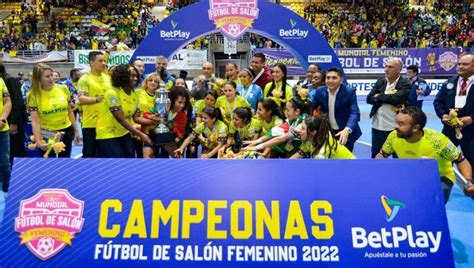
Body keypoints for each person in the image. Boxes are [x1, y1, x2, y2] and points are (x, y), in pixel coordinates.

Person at [376, 106, 473, 203]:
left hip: (440, 178)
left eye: (401, 124)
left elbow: (461, 160)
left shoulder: (438, 141)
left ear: (415, 128)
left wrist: (468, 181)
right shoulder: (393, 136)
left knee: (432, 202)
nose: (395, 126)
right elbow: (381, 155)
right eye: (396, 122)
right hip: (411, 175)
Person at [95, 65, 152, 158]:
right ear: (122, 76)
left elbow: (136, 118)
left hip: (124, 133)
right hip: (107, 134)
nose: (135, 78)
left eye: (136, 76)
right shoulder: (112, 93)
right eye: (131, 76)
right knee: (118, 160)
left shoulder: (134, 95)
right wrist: (140, 134)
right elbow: (121, 119)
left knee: (130, 158)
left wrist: (152, 119)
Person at [27, 63, 80, 158]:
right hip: (47, 133)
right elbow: (35, 121)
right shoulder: (33, 95)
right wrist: (38, 141)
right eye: (47, 76)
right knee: (49, 164)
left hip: (66, 131)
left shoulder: (63, 88)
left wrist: (75, 130)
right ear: (38, 79)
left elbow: (70, 111)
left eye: (52, 75)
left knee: (64, 162)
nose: (51, 79)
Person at [434, 54, 474, 167]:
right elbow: (438, 102)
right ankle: (444, 183)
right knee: (443, 159)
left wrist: (471, 118)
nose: (460, 66)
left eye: (465, 64)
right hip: (449, 130)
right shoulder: (449, 83)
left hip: (472, 130)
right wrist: (443, 115)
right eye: (459, 64)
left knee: (472, 160)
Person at [367, 57, 411, 158]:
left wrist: (379, 96)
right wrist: (387, 97)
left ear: (399, 69)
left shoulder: (405, 83)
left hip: (396, 128)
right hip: (377, 126)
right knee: (376, 156)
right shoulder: (380, 81)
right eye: (386, 66)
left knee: (398, 157)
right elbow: (369, 99)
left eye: (390, 67)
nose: (386, 69)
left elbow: (396, 99)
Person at [312, 67, 361, 151]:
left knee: (344, 161)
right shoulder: (320, 91)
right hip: (327, 132)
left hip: (344, 133)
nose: (330, 80)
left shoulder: (349, 92)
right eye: (328, 78)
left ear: (341, 80)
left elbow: (354, 113)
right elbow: (312, 107)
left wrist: (347, 129)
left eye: (334, 78)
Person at [78, 51, 111, 158]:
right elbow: (81, 99)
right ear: (91, 62)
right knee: (89, 154)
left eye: (104, 60)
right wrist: (96, 99)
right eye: (100, 61)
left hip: (106, 124)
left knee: (104, 154)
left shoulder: (107, 78)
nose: (104, 63)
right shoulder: (85, 79)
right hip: (91, 124)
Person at [290, 114, 356, 159]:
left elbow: (318, 173)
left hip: (350, 167)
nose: (299, 130)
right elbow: (300, 153)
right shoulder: (313, 137)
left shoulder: (322, 152)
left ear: (313, 132)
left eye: (303, 128)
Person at [0, 64, 27, 163]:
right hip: (4, 123)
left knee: (16, 152)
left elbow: (17, 102)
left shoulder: (9, 80)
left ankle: (20, 176)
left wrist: (14, 123)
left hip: (12, 122)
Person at [137, 73, 160, 158]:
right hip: (139, 128)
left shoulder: (160, 96)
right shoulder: (138, 93)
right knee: (140, 155)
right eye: (150, 80)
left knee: (153, 155)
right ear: (146, 82)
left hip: (154, 130)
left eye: (156, 81)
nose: (153, 83)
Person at [0, 77, 12, 196]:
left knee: (4, 162)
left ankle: (6, 189)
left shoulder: (1, 81)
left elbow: (7, 101)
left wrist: (2, 118)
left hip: (2, 128)